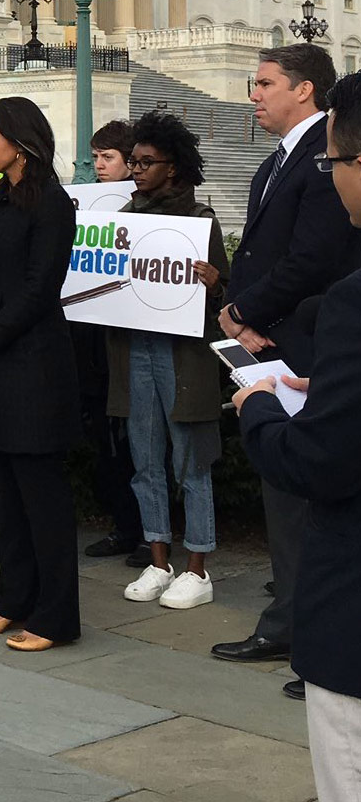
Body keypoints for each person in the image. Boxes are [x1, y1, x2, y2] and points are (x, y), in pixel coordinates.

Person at [212, 44, 361, 672]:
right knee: (287, 505)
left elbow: (314, 258)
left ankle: (310, 632)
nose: (253, 94)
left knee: (307, 500)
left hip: (300, 344)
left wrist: (246, 312)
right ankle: (291, 623)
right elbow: (263, 255)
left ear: (305, 90)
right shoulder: (277, 160)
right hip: (272, 340)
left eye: (265, 83)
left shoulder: (320, 162)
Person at [236, 69, 361, 797]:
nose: (332, 177)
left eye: (335, 162)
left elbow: (318, 461)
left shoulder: (351, 304)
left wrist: (256, 404)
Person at [0, 96, 79, 652]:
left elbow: (39, 287)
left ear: (20, 140)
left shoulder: (51, 201)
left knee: (41, 500)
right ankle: (13, 600)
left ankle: (55, 617)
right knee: (5, 495)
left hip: (33, 367)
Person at [109, 111, 228, 611]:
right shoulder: (122, 220)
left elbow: (229, 295)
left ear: (173, 168)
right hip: (134, 349)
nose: (136, 169)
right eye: (133, 161)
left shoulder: (201, 221)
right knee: (144, 460)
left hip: (184, 357)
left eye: (145, 162)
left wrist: (214, 283)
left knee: (191, 463)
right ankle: (159, 560)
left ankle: (197, 568)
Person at [78, 119, 148, 566]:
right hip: (90, 339)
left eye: (108, 158)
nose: (99, 166)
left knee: (136, 443)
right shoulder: (83, 203)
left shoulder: (144, 209)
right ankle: (123, 525)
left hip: (127, 339)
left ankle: (146, 531)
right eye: (96, 157)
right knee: (104, 441)